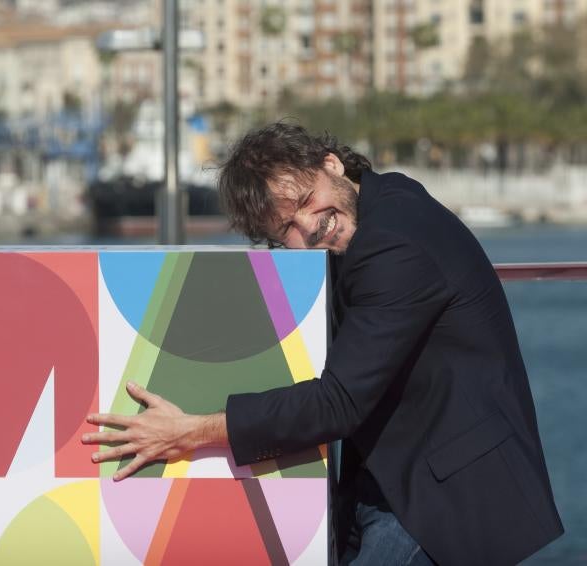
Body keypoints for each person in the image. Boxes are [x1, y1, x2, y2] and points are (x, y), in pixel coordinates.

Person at [81, 123, 563, 565]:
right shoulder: (381, 203)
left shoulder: (392, 243)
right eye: (285, 229)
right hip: (396, 480)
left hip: (444, 497)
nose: (308, 226)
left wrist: (187, 431)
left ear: (332, 164)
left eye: (307, 200)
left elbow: (339, 402)